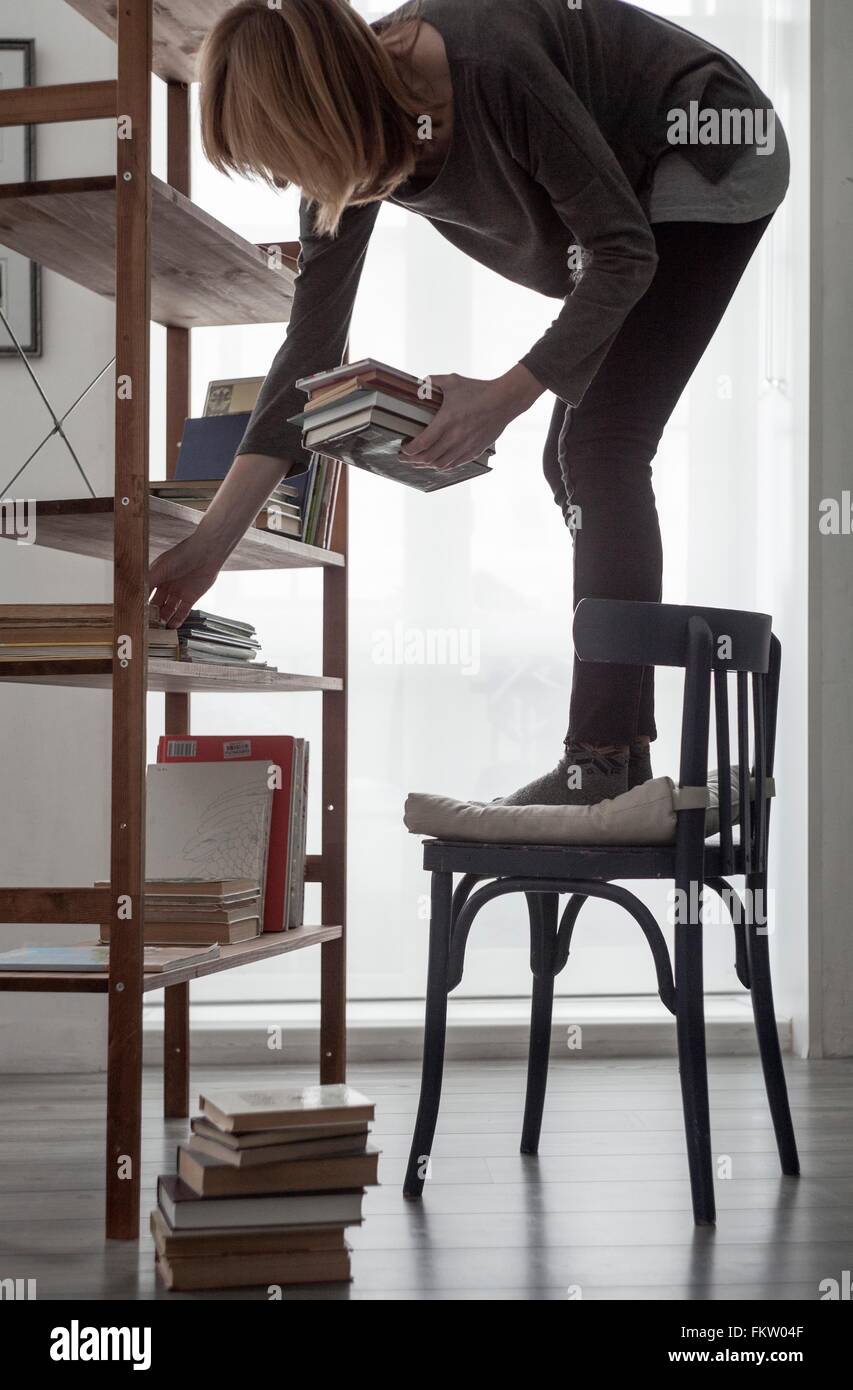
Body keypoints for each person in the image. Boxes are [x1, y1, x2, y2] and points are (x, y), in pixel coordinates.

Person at [149, 0, 789, 806]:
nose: (286, 181)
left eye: (281, 156)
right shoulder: (346, 156)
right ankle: (619, 754)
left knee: (598, 447)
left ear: (319, 114)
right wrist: (210, 547)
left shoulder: (489, 65)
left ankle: (595, 762)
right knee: (580, 459)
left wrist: (500, 397)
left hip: (706, 139)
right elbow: (305, 359)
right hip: (626, 197)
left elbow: (622, 253)